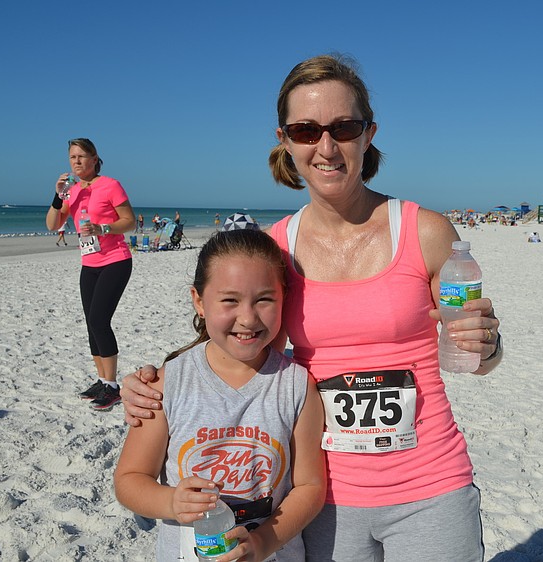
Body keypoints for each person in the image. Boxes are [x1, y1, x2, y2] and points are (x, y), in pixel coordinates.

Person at [122, 54, 502, 561]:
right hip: (323, 497)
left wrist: (489, 344)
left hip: (430, 481)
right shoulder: (276, 249)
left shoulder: (425, 232)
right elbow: (242, 342)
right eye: (306, 130)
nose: (327, 147)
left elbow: (475, 356)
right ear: (285, 140)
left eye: (343, 128)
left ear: (369, 134)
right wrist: (156, 382)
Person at [114, 228, 326, 561]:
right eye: (230, 300)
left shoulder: (297, 386)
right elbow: (129, 479)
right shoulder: (167, 384)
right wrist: (170, 502)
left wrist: (262, 543)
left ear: (284, 297)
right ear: (199, 301)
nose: (248, 318)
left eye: (264, 299)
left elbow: (310, 488)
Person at [45, 138, 135, 411]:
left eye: (82, 156)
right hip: (90, 263)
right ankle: (100, 379)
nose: (76, 162)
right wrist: (58, 195)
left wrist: (103, 228)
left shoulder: (110, 185)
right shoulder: (71, 191)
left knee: (99, 320)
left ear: (95, 159)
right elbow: (52, 225)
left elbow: (129, 221)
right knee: (90, 323)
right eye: (72, 157)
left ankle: (112, 386)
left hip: (116, 260)